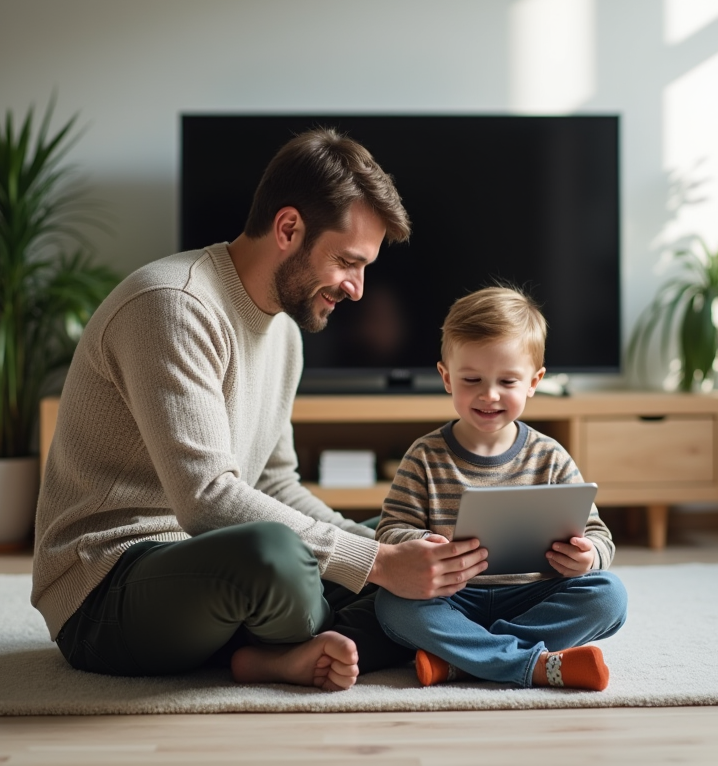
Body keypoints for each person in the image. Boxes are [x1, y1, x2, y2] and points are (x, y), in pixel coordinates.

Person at [31, 129, 491, 692]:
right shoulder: (174, 306)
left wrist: (382, 551)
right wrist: (373, 568)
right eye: (347, 261)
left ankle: (283, 653)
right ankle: (384, 632)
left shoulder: (285, 335)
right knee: (277, 556)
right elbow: (208, 500)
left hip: (213, 564)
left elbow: (276, 483)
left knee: (408, 537)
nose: (358, 289)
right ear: (288, 228)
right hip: (107, 585)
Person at [374, 286, 628, 690]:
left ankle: (462, 661)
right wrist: (423, 541)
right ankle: (534, 664)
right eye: (471, 379)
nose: (488, 395)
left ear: (534, 382)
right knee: (392, 606)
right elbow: (389, 531)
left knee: (608, 595)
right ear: (446, 378)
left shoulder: (550, 457)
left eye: (507, 381)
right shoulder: (424, 457)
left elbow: (598, 535)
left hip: (533, 596)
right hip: (451, 598)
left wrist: (588, 557)